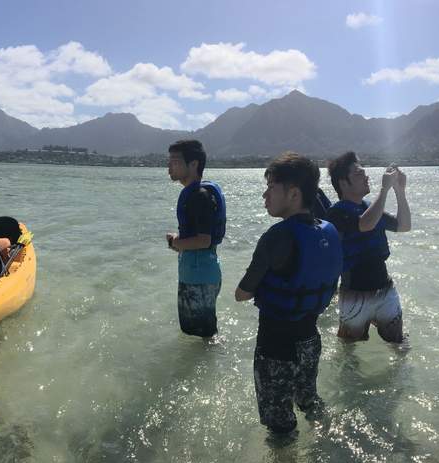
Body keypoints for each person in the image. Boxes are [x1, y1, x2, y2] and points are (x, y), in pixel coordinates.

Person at [234, 152, 343, 437]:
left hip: (276, 348)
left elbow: (242, 293)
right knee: (309, 401)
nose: (265, 195)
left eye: (271, 188)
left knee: (280, 427)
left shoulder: (277, 236)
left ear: (294, 194)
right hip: (310, 342)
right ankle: (326, 443)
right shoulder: (328, 231)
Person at [326, 152, 413, 343]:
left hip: (385, 289)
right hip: (354, 294)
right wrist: (384, 189)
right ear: (343, 183)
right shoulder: (335, 214)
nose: (366, 176)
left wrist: (399, 190)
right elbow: (365, 224)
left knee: (399, 343)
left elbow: (404, 225)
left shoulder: (370, 208)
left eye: (364, 172)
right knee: (349, 349)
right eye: (358, 173)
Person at [165, 140, 226, 338]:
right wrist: (178, 241)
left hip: (199, 276)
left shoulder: (200, 196)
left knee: (206, 335)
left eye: (175, 161)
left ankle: (216, 355)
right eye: (169, 161)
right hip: (200, 271)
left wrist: (175, 242)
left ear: (193, 164)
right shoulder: (197, 195)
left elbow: (204, 240)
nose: (169, 167)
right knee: (200, 333)